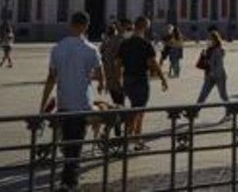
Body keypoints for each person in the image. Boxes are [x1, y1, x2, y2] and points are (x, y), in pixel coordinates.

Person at [40, 11, 104, 190]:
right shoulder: (91, 49)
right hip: (82, 103)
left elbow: (51, 78)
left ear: (70, 24)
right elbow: (100, 74)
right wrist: (96, 81)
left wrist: (43, 103)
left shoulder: (57, 48)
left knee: (69, 142)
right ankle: (70, 183)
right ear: (86, 26)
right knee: (75, 145)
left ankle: (67, 180)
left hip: (64, 103)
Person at [116, 16, 168, 151]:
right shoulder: (146, 44)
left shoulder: (125, 43)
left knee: (135, 109)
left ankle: (135, 139)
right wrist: (163, 78)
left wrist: (119, 80)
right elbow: (153, 63)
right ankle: (130, 139)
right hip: (140, 80)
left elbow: (118, 64)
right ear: (145, 26)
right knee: (139, 111)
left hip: (128, 79)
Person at [196, 30, 230, 114]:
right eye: (208, 39)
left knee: (223, 96)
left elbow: (219, 64)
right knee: (203, 95)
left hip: (219, 76)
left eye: (211, 39)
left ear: (215, 40)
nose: (209, 41)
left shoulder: (219, 50)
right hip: (209, 76)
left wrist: (213, 72)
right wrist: (203, 56)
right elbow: (205, 63)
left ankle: (230, 112)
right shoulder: (208, 50)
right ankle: (195, 112)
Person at [98, 22, 127, 111]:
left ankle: (118, 118)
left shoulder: (107, 42)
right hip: (118, 75)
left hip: (110, 74)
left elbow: (102, 56)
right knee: (120, 100)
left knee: (116, 99)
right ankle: (120, 118)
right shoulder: (121, 41)